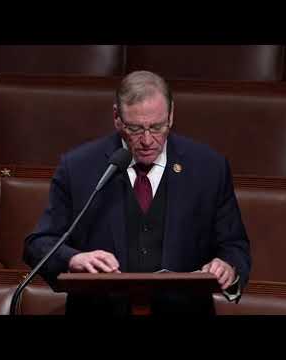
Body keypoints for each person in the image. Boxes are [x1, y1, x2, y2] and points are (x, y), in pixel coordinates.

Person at [24, 70, 251, 316]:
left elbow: (234, 246)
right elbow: (38, 245)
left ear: (171, 115)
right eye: (135, 129)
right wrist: (72, 259)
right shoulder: (78, 167)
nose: (146, 140)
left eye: (156, 127)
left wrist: (227, 266)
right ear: (116, 118)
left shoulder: (208, 168)